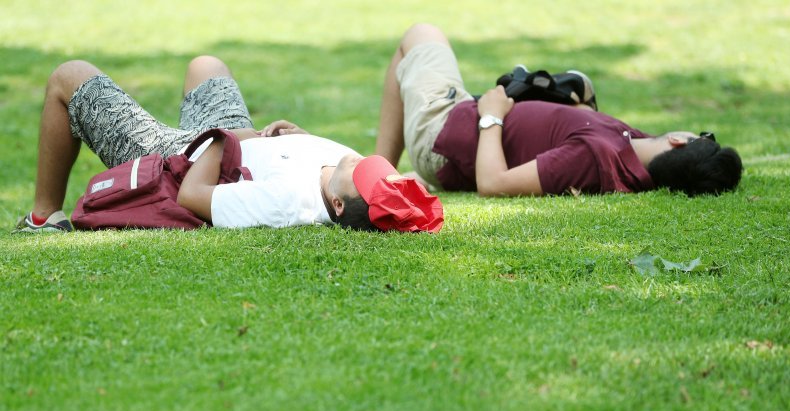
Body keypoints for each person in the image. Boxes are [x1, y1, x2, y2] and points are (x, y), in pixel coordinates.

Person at [15, 56, 443, 234]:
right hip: (241, 143)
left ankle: (42, 218)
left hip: (185, 156)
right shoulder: (337, 179)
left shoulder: (285, 203)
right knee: (208, 66)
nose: (357, 160)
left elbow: (194, 195)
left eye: (358, 172)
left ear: (334, 204)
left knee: (68, 78)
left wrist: (221, 140)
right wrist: (295, 139)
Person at [376, 23, 743, 198]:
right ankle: (381, 171)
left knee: (420, 36)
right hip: (461, 122)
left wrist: (492, 116)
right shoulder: (634, 151)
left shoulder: (597, 157)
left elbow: (493, 184)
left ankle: (377, 174)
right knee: (581, 86)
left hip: (443, 134)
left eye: (699, 135)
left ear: (679, 142)